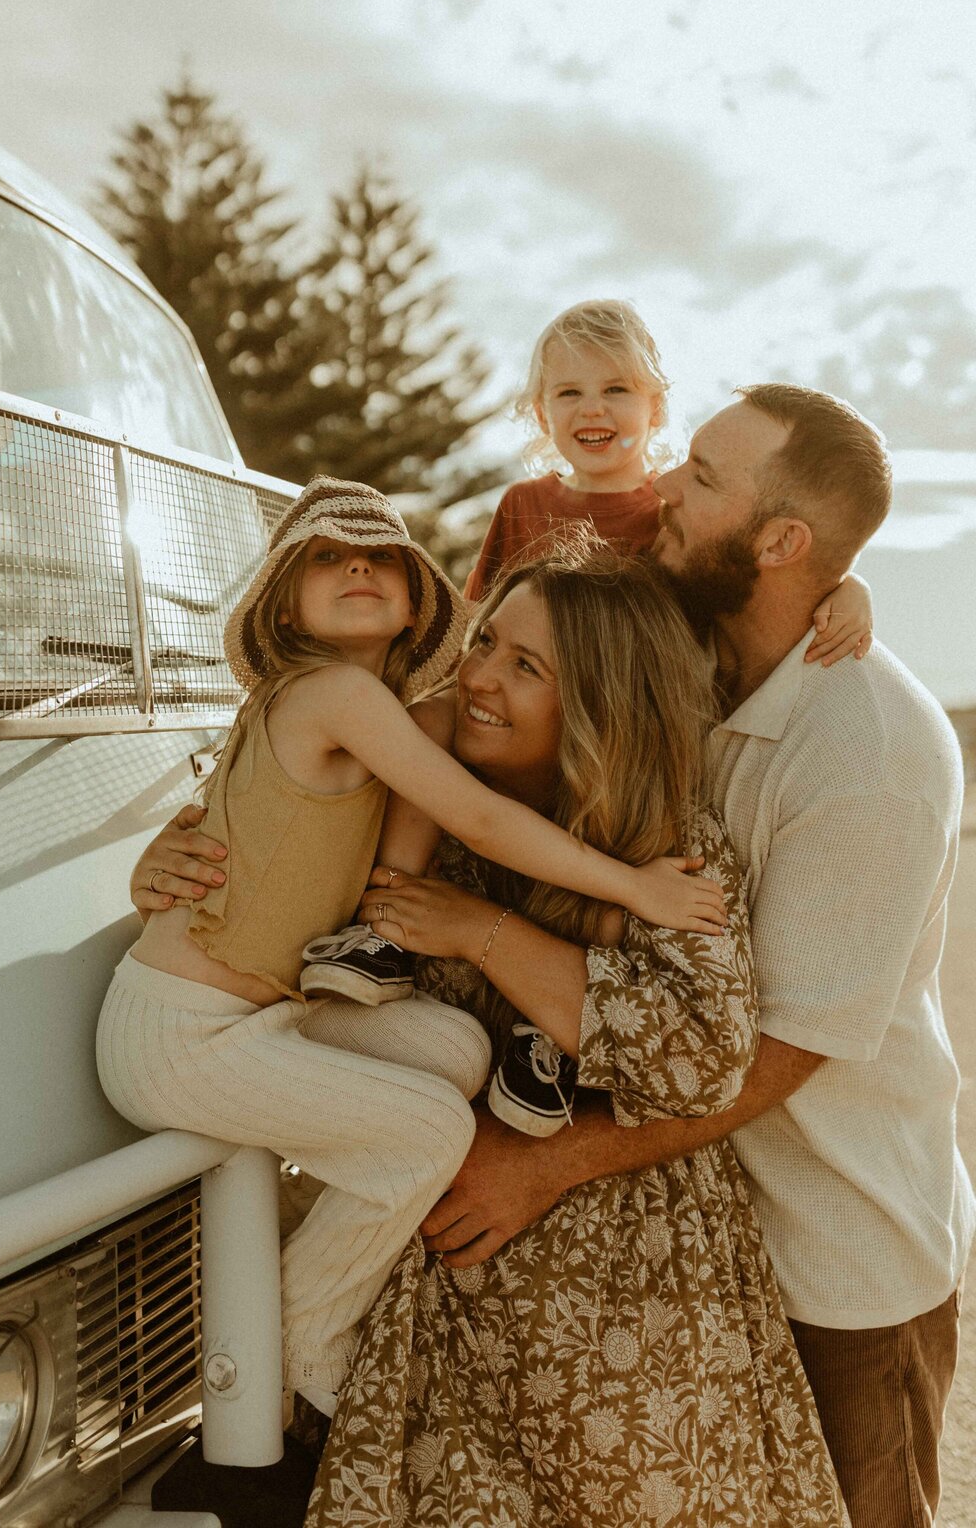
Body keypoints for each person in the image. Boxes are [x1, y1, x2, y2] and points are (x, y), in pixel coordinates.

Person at [137, 545, 849, 1525]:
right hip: (430, 1299)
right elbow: (269, 859)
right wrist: (169, 859)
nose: (477, 677)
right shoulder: (409, 795)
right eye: (484, 643)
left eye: (527, 667)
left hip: (621, 1316)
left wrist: (482, 933)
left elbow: (700, 1058)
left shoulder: (663, 838)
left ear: (598, 703)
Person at [412, 385, 970, 1528]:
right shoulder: (688, 657)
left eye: (703, 478)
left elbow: (782, 1053)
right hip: (695, 1241)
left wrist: (544, 1165)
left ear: (780, 543)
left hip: (838, 1263)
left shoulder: (868, 752)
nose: (661, 485)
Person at [97, 476, 724, 1418]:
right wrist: (634, 886)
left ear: (416, 598)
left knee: (455, 1051)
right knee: (431, 1130)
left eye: (380, 554)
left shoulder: (380, 710)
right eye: (325, 556)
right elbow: (471, 812)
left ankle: (299, 1241)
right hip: (182, 1036)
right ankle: (296, 1328)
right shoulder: (332, 693)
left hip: (260, 1020)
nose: (357, 563)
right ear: (283, 600)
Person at [465, 297, 871, 670]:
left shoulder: (675, 510)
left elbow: (748, 583)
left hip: (631, 720)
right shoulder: (522, 504)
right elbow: (475, 617)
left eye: (616, 389)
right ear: (542, 415)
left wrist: (850, 589)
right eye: (569, 392)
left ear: (654, 408)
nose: (592, 408)